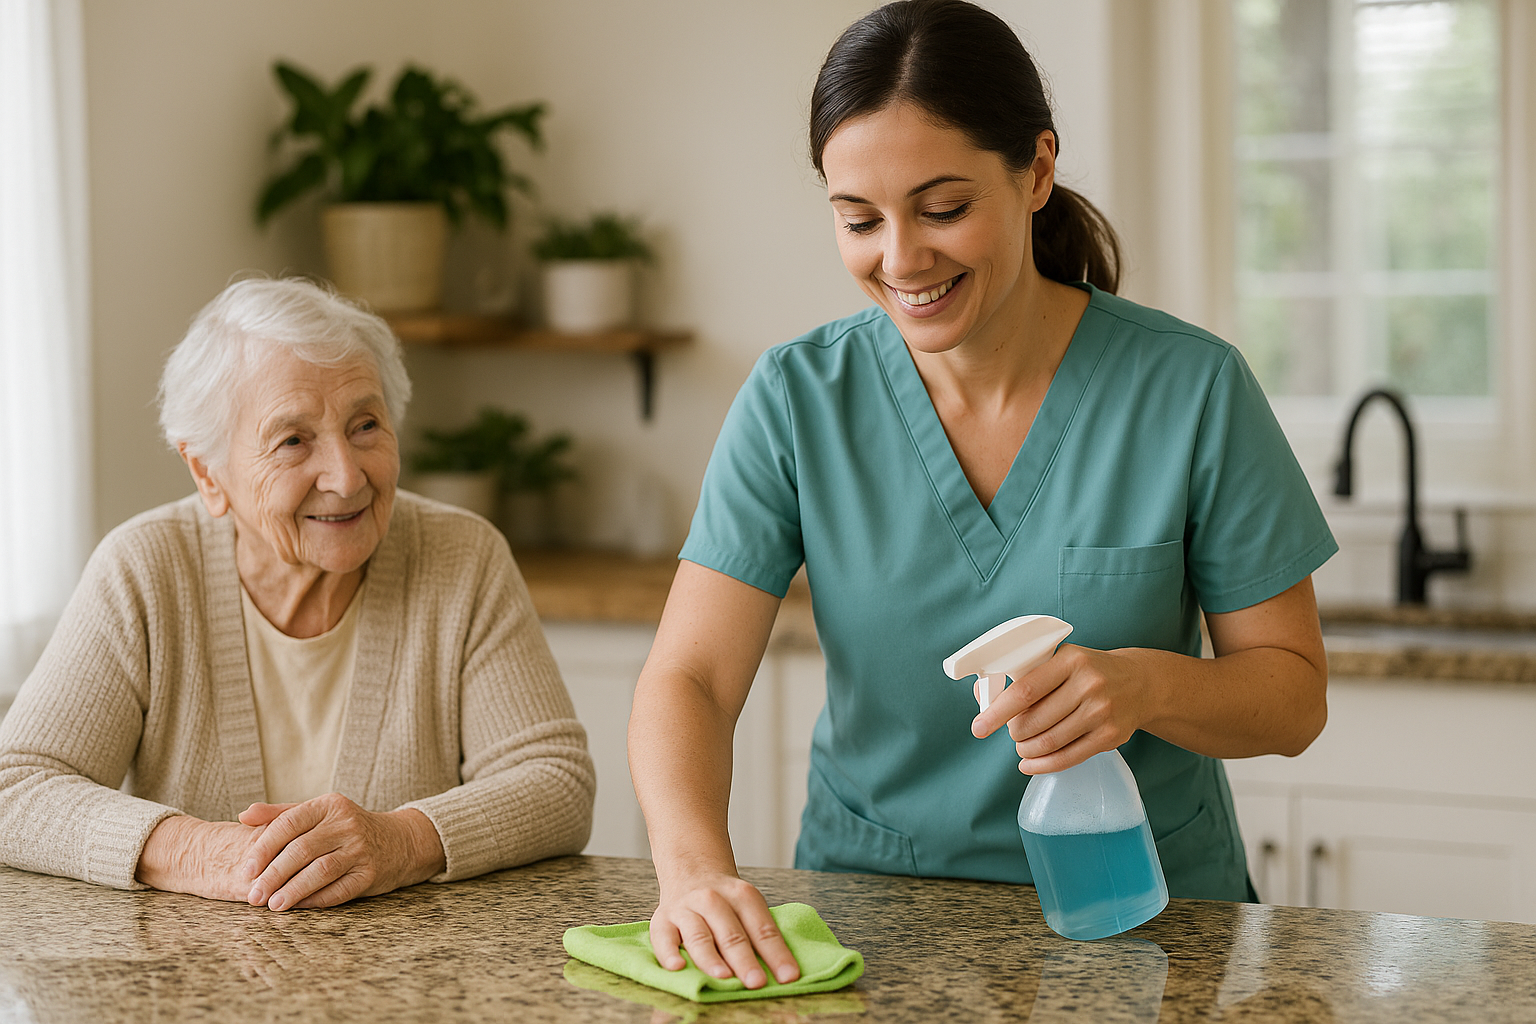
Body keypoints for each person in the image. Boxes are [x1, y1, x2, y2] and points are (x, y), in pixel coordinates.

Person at [627, 0, 1335, 990]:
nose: (903, 259)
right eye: (859, 219)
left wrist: (1140, 686)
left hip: (1152, 933)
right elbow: (690, 679)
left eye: (944, 208)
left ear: (1037, 170)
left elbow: (1292, 694)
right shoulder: (799, 398)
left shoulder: (1191, 389)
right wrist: (694, 872)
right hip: (875, 935)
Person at [0, 277, 595, 911]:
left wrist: (400, 841)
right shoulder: (145, 569)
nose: (345, 476)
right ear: (207, 472)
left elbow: (555, 782)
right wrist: (199, 851)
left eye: (365, 425)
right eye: (293, 440)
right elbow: (18, 791)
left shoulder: (461, 557)